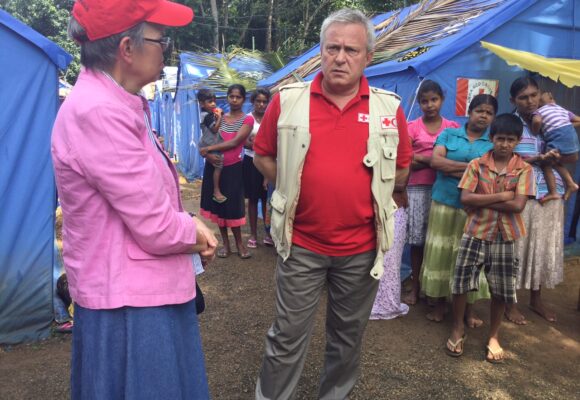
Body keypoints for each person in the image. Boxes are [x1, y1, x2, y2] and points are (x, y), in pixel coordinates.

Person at [51, 1, 217, 398]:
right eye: (164, 40)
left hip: (136, 291)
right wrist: (195, 231)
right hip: (131, 305)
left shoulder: (116, 103)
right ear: (128, 48)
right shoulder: (99, 111)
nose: (166, 50)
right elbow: (156, 226)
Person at [253, 9, 412, 399]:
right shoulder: (288, 102)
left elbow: (402, 171)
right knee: (286, 338)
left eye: (351, 50)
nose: (340, 57)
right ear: (321, 52)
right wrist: (293, 189)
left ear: (367, 57)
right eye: (332, 48)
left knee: (347, 341)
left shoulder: (388, 109)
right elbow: (263, 155)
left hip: (360, 251)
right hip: (301, 243)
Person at [446, 114, 535, 363]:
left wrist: (488, 199)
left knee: (501, 288)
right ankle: (457, 327)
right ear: (491, 139)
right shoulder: (476, 164)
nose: (504, 144)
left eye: (510, 139)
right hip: (476, 231)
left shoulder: (525, 169)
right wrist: (503, 196)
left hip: (506, 236)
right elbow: (465, 198)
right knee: (461, 281)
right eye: (500, 139)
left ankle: (494, 335)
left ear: (517, 141)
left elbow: (518, 206)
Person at [420, 94, 498, 324]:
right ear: (469, 112)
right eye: (479, 110)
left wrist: (453, 169)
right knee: (442, 254)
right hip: (444, 202)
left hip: (474, 208)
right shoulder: (449, 133)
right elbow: (436, 163)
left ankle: (468, 311)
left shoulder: (492, 144)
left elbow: (489, 176)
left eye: (489, 112)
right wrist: (474, 169)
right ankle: (441, 305)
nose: (483, 116)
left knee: (470, 259)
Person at [505, 77, 565, 324]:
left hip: (551, 194)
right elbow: (505, 159)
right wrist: (541, 158)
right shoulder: (510, 125)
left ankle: (536, 299)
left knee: (540, 248)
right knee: (516, 250)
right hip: (523, 195)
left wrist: (559, 155)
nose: (530, 101)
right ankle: (510, 303)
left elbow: (568, 156)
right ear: (513, 101)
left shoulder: (552, 119)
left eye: (533, 95)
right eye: (523, 97)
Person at [403, 79, 459, 305]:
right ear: (419, 103)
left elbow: (455, 158)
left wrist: (422, 159)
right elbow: (406, 158)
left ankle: (434, 289)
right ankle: (415, 288)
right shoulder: (412, 127)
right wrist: (435, 160)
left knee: (439, 242)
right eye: (424, 101)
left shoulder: (453, 128)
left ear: (442, 100)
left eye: (434, 99)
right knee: (418, 243)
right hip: (417, 189)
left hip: (444, 191)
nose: (430, 105)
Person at [200, 84, 253, 259]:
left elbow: (234, 142)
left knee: (234, 207)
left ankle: (239, 243)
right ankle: (226, 244)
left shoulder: (247, 120)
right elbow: (206, 138)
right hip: (214, 165)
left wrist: (209, 149)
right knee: (219, 205)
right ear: (228, 98)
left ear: (243, 99)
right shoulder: (217, 117)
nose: (234, 100)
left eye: (238, 97)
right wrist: (207, 156)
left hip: (233, 168)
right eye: (231, 96)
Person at [531, 91, 580, 203]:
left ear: (538, 103)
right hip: (572, 139)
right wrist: (565, 126)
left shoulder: (538, 111)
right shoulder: (561, 109)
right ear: (552, 99)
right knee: (556, 162)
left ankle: (553, 192)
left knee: (546, 163)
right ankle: (570, 183)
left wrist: (535, 131)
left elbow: (537, 121)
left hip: (558, 139)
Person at [243, 88, 273, 248]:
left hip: (268, 162)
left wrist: (256, 143)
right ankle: (254, 235)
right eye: (258, 101)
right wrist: (260, 145)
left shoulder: (271, 118)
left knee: (267, 199)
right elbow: (243, 142)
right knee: (253, 199)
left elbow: (274, 142)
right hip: (251, 162)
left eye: (264, 101)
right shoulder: (248, 119)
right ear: (253, 102)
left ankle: (268, 234)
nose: (261, 104)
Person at [197, 88, 226, 203]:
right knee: (218, 166)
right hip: (210, 144)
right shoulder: (207, 116)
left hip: (208, 142)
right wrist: (219, 117)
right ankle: (216, 189)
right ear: (201, 103)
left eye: (214, 101)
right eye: (210, 101)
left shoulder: (207, 114)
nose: (213, 104)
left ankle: (216, 189)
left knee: (216, 166)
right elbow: (214, 129)